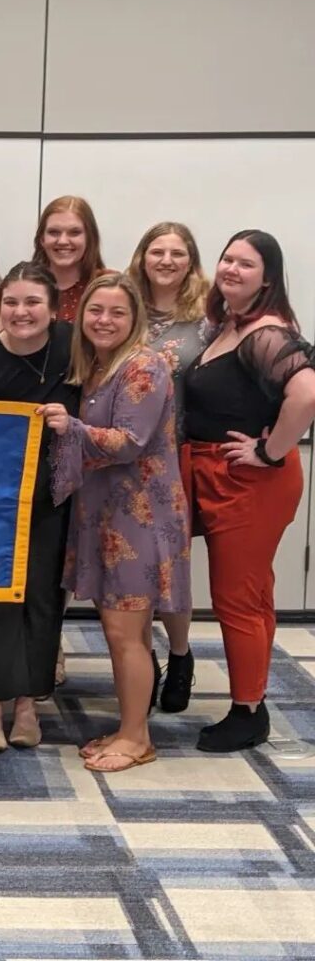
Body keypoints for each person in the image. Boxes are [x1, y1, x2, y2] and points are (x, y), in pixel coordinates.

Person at [42, 272, 190, 772]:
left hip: (138, 520)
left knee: (126, 632)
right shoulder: (103, 366)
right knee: (125, 631)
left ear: (135, 319)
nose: (104, 320)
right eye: (96, 311)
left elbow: (130, 441)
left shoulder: (143, 366)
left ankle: (137, 739)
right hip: (109, 515)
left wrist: (72, 427)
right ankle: (131, 726)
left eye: (117, 312)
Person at [182, 231, 315, 752]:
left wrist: (270, 450)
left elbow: (306, 393)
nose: (232, 269)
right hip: (220, 475)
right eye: (228, 258)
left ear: (269, 277)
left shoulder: (265, 331)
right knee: (254, 595)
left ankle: (247, 712)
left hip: (248, 480)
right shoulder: (231, 326)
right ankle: (252, 697)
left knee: (237, 598)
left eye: (247, 263)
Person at [0, 262, 78, 750]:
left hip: (55, 494)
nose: (21, 311)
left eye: (33, 302)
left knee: (42, 597)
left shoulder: (75, 347)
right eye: (10, 302)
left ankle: (29, 704)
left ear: (53, 309)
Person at [127, 221, 211, 712]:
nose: (166, 260)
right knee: (131, 570)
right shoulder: (126, 309)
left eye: (177, 253)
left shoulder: (207, 319)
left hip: (173, 459)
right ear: (141, 257)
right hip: (121, 457)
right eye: (156, 251)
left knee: (169, 567)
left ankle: (180, 654)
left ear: (190, 260)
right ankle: (143, 659)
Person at [32, 195, 113, 323]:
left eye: (74, 232)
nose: (63, 241)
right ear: (42, 239)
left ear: (89, 238)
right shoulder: (21, 286)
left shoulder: (111, 285)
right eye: (54, 232)